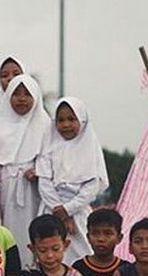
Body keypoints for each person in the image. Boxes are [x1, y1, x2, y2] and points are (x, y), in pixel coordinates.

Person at [0, 74, 50, 267]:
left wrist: (39, 170)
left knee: (34, 236)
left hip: (33, 191)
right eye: (16, 93)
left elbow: (51, 157)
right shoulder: (0, 124)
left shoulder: (45, 124)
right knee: (7, 235)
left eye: (27, 94)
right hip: (6, 190)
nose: (21, 98)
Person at [36, 96, 109, 264]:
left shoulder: (90, 147)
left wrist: (68, 209)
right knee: (49, 254)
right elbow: (44, 182)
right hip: (50, 209)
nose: (66, 125)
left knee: (81, 255)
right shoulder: (48, 145)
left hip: (79, 212)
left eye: (71, 119)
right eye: (60, 120)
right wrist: (59, 210)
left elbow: (92, 185)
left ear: (82, 120)